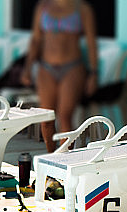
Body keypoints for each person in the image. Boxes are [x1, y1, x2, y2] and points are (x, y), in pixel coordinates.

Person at [21, 0, 98, 152]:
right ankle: (52, 158)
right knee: (46, 119)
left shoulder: (82, 9)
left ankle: (64, 160)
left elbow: (91, 43)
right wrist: (27, 68)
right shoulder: (42, 7)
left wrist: (94, 74)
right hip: (46, 68)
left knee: (65, 115)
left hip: (72, 67)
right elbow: (36, 40)